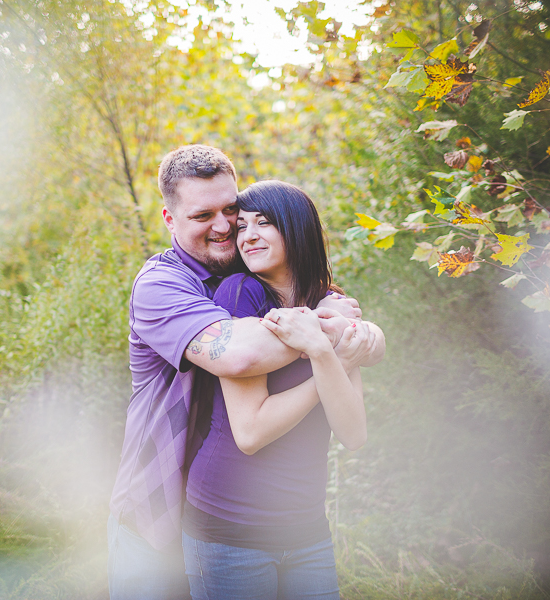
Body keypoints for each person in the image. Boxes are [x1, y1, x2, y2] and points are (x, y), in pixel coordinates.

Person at [108, 146, 385, 600]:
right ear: (170, 219)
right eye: (203, 216)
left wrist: (361, 333)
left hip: (272, 513)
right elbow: (239, 356)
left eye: (230, 212)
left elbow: (354, 413)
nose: (225, 227)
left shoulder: (252, 268)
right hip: (159, 509)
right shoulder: (162, 284)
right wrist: (330, 334)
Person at [182, 180, 377, 600]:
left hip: (306, 527)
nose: (248, 235)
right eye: (242, 226)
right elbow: (250, 433)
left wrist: (326, 354)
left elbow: (354, 433)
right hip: (231, 528)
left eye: (264, 223)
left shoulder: (329, 301)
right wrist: (331, 360)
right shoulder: (241, 293)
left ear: (297, 227)